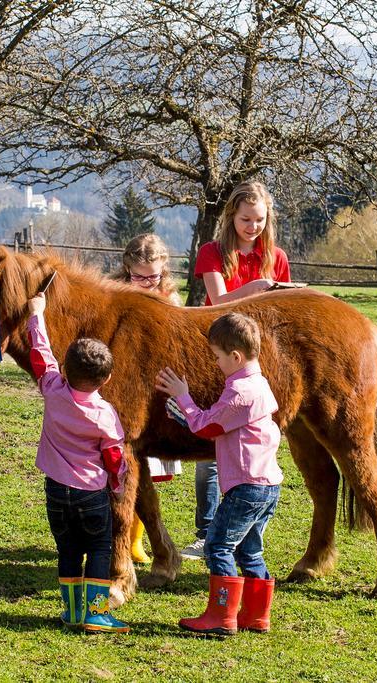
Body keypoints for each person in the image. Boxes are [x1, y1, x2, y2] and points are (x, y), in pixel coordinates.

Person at [182, 180, 294, 561]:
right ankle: (206, 529)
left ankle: (246, 532)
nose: (253, 227)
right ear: (232, 216)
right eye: (246, 219)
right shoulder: (213, 253)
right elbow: (217, 302)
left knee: (257, 443)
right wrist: (259, 287)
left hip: (261, 360)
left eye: (260, 220)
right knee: (214, 445)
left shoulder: (275, 255)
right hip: (221, 355)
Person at [156, 312, 282, 636]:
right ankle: (256, 615)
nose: (215, 363)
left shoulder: (240, 392)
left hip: (246, 488)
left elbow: (206, 425)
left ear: (236, 356)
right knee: (249, 549)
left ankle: (221, 614)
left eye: (217, 357)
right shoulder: (259, 382)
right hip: (267, 484)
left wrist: (182, 396)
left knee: (217, 546)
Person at [27, 291, 131, 634]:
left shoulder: (52, 387)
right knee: (100, 550)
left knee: (68, 549)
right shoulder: (105, 415)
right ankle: (97, 613)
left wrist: (36, 314)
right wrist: (117, 489)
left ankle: (72, 611)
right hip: (91, 494)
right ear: (106, 380)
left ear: (66, 369)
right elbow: (115, 459)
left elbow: (41, 353)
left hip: (56, 491)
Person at [113, 233, 182, 563]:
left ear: (163, 269)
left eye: (152, 276)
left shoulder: (170, 297)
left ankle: (137, 539)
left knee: (149, 469)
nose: (145, 282)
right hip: (127, 386)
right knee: (129, 468)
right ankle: (126, 539)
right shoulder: (115, 294)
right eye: (139, 276)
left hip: (159, 389)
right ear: (127, 269)